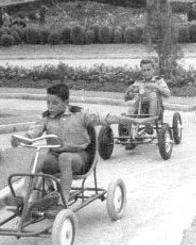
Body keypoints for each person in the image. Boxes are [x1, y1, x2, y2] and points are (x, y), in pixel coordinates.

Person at [10, 83, 148, 205]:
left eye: (55, 103)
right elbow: (31, 135)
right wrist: (19, 140)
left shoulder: (79, 115)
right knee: (39, 156)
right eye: (48, 102)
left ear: (66, 102)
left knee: (65, 157)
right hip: (55, 156)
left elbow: (106, 118)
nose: (50, 106)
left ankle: (63, 199)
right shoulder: (46, 117)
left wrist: (131, 121)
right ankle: (23, 196)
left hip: (79, 157)